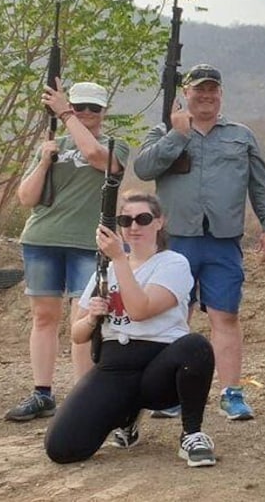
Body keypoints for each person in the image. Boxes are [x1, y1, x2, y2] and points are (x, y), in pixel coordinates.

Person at [134, 64, 265, 421]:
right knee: (172, 315)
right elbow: (143, 169)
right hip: (174, 242)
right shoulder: (164, 131)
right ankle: (168, 394)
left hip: (222, 240)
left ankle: (231, 393)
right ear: (186, 93)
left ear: (221, 94)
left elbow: (260, 184)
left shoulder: (241, 136)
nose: (205, 95)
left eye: (212, 89)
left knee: (225, 315)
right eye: (198, 89)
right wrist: (177, 136)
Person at [44, 192, 217, 467]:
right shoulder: (106, 269)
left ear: (160, 222)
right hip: (114, 365)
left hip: (158, 367)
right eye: (126, 220)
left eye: (143, 219)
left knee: (196, 346)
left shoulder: (173, 263)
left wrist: (120, 260)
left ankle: (192, 433)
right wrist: (92, 319)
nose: (134, 227)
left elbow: (140, 310)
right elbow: (77, 334)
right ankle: (125, 415)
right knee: (62, 449)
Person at [7, 80, 130, 422]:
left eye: (94, 108)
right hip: (42, 238)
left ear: (104, 111)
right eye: (80, 107)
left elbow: (95, 157)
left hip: (88, 243)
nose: (87, 113)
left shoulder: (115, 147)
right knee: (44, 317)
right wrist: (45, 160)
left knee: (84, 318)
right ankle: (42, 393)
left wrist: (64, 113)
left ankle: (83, 397)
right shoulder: (52, 145)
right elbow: (27, 198)